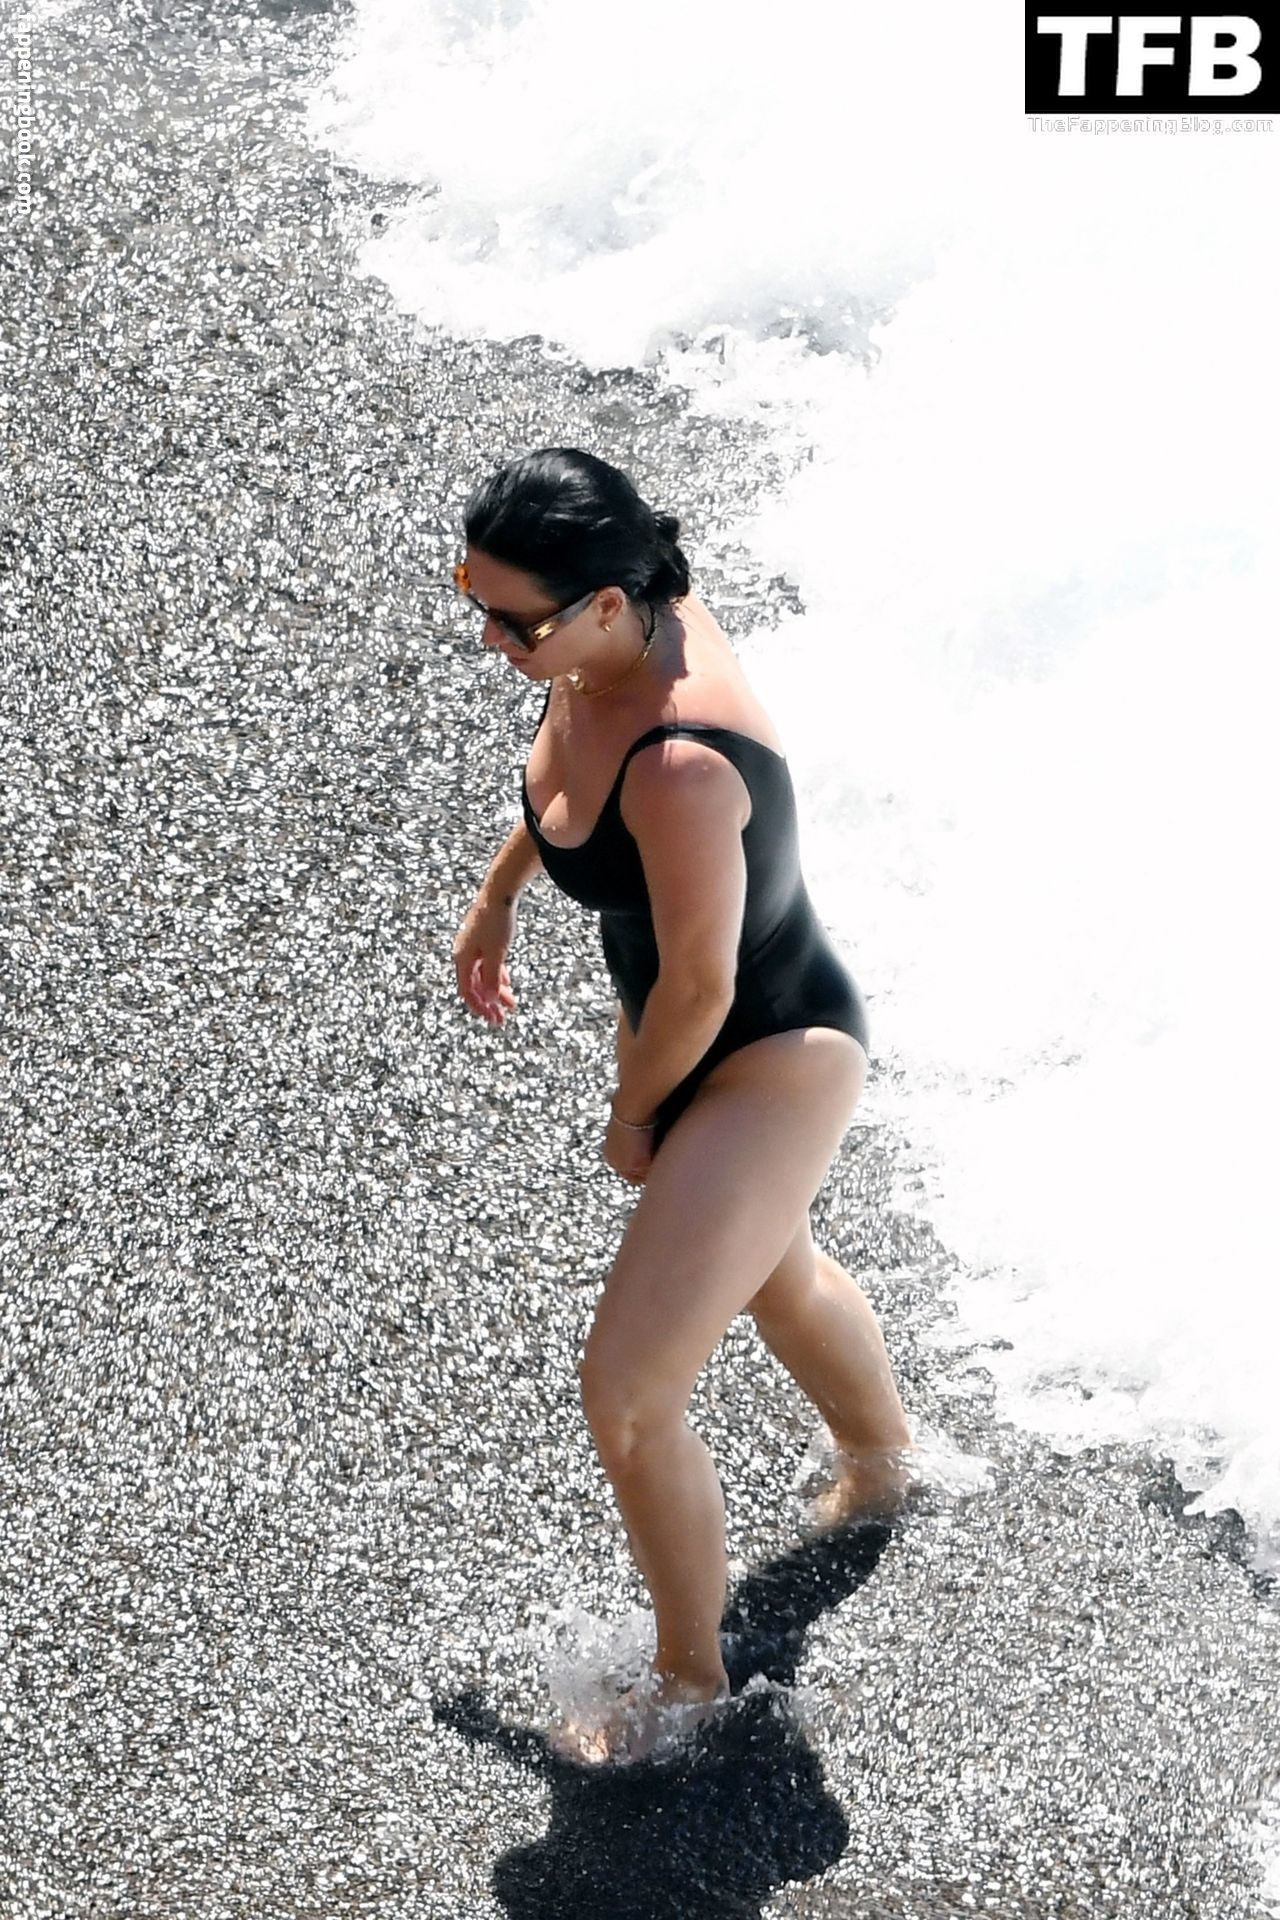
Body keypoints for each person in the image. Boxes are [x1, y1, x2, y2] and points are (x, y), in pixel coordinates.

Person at [451, 448, 914, 1764]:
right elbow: (567, 793)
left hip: (769, 1052)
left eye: (515, 623)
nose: (491, 642)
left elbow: (703, 990)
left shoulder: (684, 764)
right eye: (473, 604)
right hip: (691, 1034)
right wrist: (498, 894)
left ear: (608, 602)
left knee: (629, 1392)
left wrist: (634, 1113)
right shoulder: (607, 640)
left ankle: (691, 1680)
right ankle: (884, 1463)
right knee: (778, 1275)